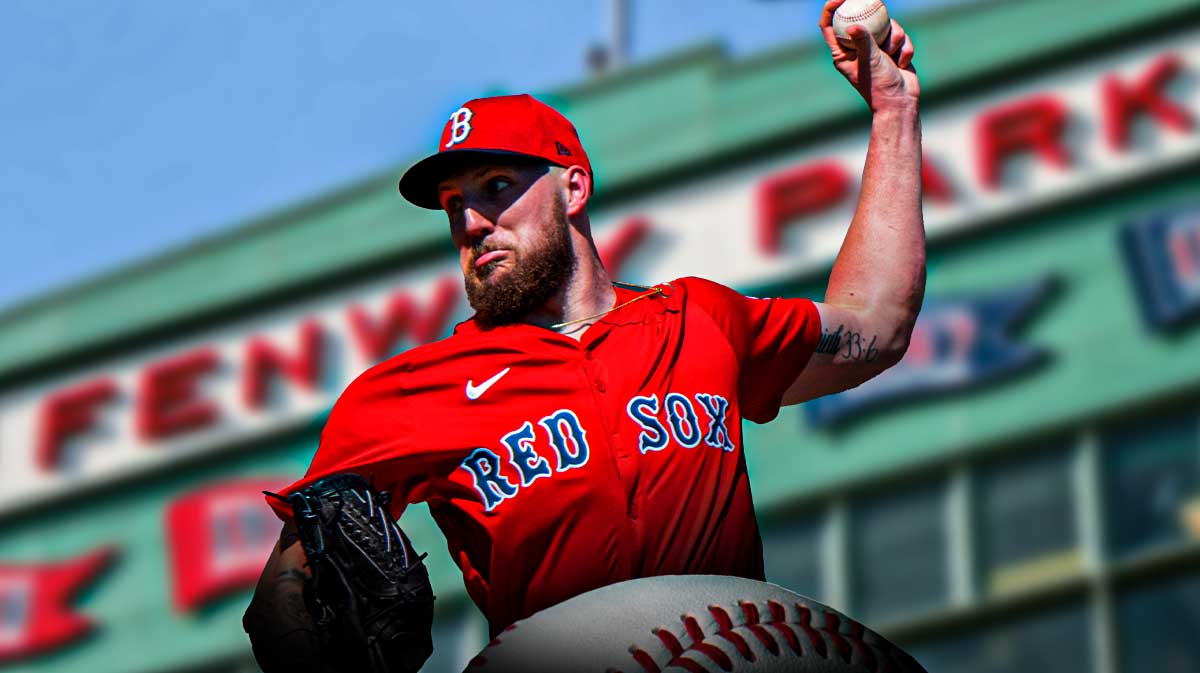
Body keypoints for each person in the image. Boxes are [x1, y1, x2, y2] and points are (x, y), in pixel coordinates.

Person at [243, 0, 923, 667]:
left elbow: (877, 326)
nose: (473, 221)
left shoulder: (697, 321)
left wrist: (894, 113)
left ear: (573, 188)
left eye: (498, 185)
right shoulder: (406, 393)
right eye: (455, 205)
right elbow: (284, 602)